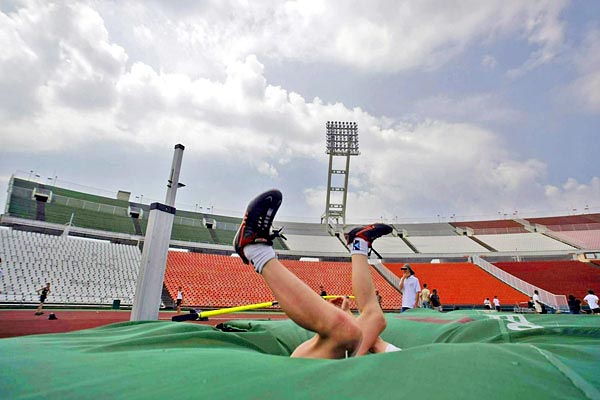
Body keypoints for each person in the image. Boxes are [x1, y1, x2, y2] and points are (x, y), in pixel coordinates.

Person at [233, 189, 400, 358]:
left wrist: (349, 324)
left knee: (345, 331)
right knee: (375, 317)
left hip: (322, 379)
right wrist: (373, 341)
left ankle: (255, 250)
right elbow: (378, 345)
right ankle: (359, 244)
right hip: (396, 363)